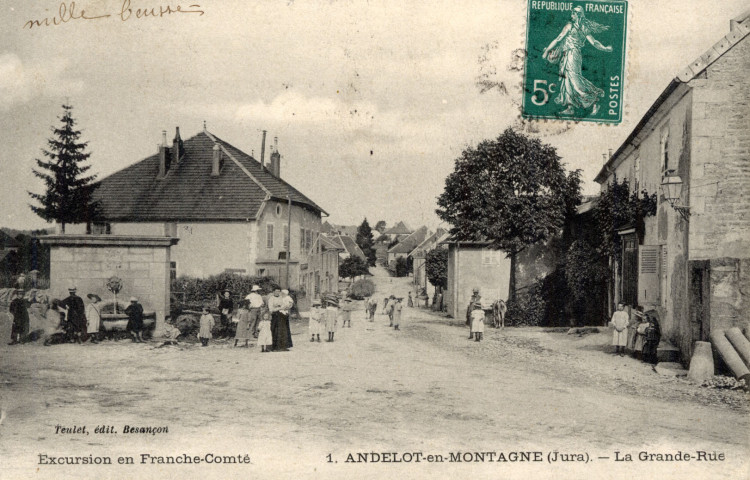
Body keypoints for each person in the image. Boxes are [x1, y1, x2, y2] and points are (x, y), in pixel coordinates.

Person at [542, 6, 613, 116]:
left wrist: (546, 51)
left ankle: (594, 101)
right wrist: (604, 48)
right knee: (567, 80)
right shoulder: (575, 26)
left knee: (575, 79)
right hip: (568, 54)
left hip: (573, 54)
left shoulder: (576, 27)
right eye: (572, 13)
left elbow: (593, 42)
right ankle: (570, 107)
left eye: (573, 13)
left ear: (578, 15)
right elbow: (559, 38)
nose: (572, 15)